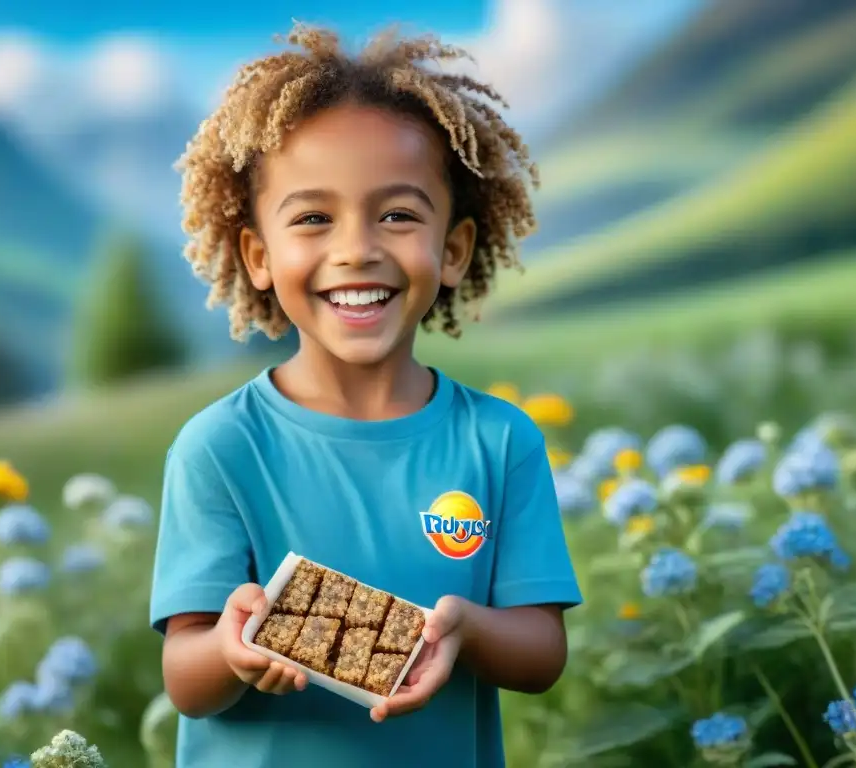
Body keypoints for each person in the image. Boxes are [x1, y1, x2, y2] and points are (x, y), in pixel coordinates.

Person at [149, 21, 583, 768]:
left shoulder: (501, 441)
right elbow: (186, 678)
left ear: (452, 251)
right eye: (313, 218)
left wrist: (465, 630)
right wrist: (231, 646)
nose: (357, 248)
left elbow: (541, 653)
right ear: (258, 255)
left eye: (397, 215)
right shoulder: (219, 447)